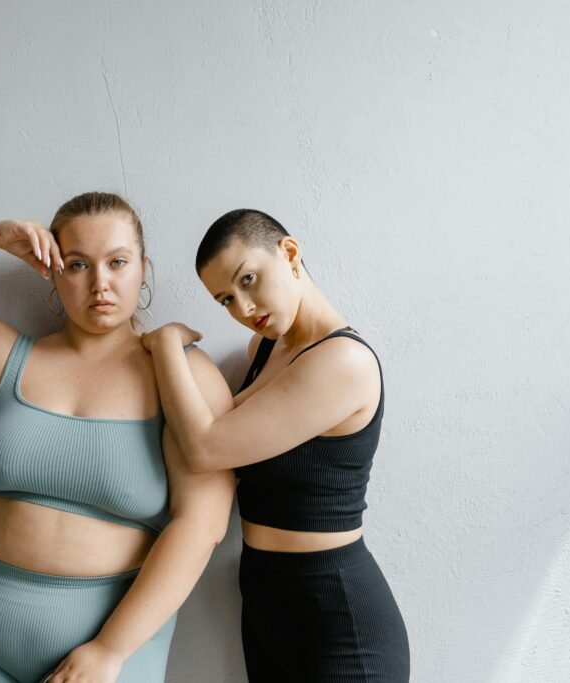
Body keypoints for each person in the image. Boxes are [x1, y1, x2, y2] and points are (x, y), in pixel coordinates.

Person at [0, 192, 235, 683]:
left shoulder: (181, 372)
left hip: (114, 643)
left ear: (144, 268)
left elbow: (202, 527)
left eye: (118, 262)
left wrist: (109, 651)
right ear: (52, 271)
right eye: (77, 265)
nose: (100, 283)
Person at [142, 209, 410, 681]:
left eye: (249, 279)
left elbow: (206, 447)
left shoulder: (345, 362)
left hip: (337, 616)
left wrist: (167, 346)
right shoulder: (263, 351)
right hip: (267, 602)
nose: (243, 308)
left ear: (289, 253)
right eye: (226, 298)